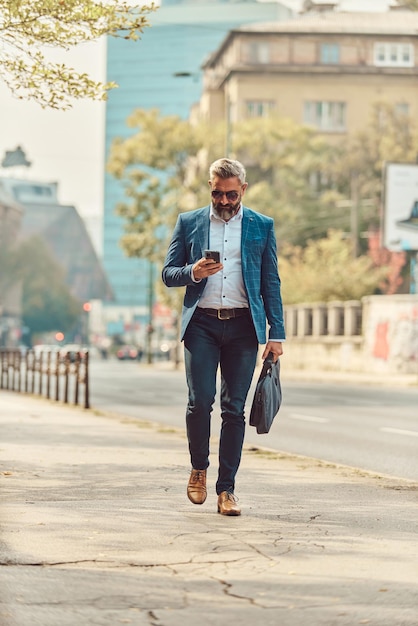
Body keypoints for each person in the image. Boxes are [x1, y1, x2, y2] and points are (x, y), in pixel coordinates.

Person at [162, 158, 285, 516]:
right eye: (217, 193)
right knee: (200, 402)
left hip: (244, 326)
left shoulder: (262, 226)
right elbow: (169, 273)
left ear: (243, 190)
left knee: (234, 410)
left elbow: (270, 282)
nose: (224, 200)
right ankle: (198, 468)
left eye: (231, 194)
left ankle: (226, 490)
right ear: (211, 189)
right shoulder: (190, 222)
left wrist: (276, 334)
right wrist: (194, 271)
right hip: (200, 324)